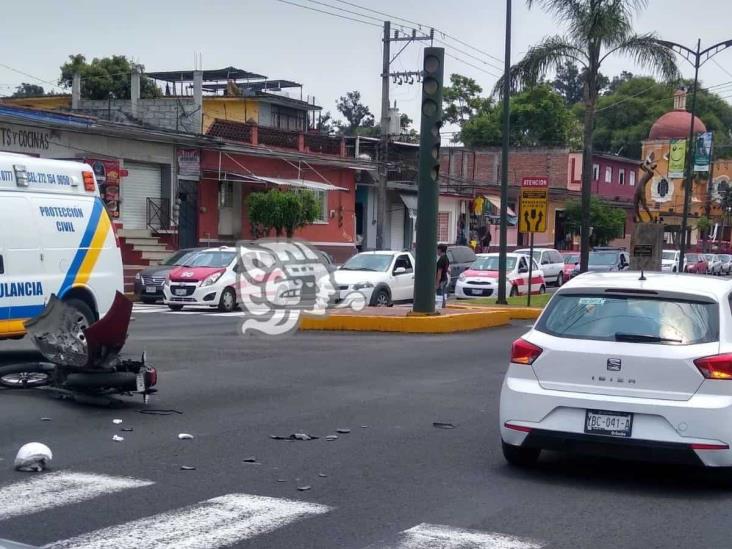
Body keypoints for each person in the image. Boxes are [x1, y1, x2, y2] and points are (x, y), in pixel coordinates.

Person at [436, 244, 450, 309]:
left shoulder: (441, 259)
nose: (437, 251)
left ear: (440, 250)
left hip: (441, 279)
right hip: (445, 278)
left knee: (439, 293)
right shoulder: (446, 258)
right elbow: (448, 269)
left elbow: (439, 272)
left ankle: (439, 307)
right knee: (444, 293)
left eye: (437, 250)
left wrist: (437, 282)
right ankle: (443, 306)